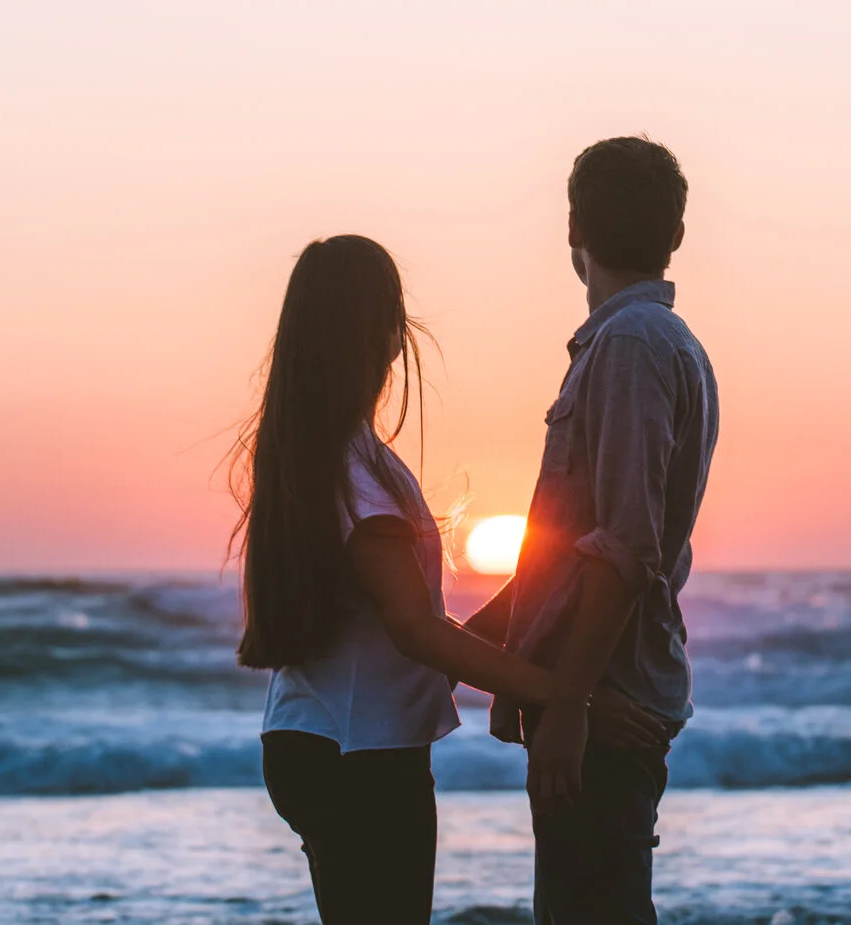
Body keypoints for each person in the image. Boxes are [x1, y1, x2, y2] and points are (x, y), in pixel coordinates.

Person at [234, 234, 664, 925]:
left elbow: (411, 621)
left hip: (323, 740)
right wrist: (565, 695)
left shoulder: (326, 454)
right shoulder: (354, 472)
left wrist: (530, 639)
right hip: (359, 755)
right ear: (372, 333)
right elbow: (416, 628)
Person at [465, 137, 719, 925]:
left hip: (605, 697)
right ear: (677, 233)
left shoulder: (631, 345)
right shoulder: (644, 344)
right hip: (597, 687)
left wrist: (569, 704)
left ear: (570, 226)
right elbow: (567, 558)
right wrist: (459, 648)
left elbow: (624, 548)